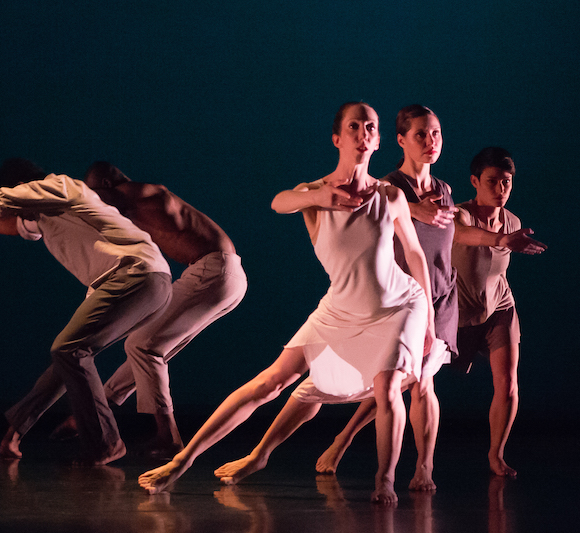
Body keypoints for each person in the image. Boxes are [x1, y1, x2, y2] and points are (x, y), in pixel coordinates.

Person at [139, 102, 437, 504]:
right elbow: (280, 201)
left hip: (398, 306)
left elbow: (415, 255)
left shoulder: (390, 196)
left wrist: (430, 321)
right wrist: (322, 195)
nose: (363, 133)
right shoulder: (312, 196)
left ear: (380, 140)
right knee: (272, 382)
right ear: (337, 138)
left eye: (371, 127)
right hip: (341, 308)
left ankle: (384, 480)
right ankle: (184, 460)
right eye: (354, 126)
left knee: (386, 388)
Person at [214, 105, 456, 492]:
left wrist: (430, 310)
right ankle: (268, 453)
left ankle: (412, 471)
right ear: (397, 141)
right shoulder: (391, 185)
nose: (431, 141)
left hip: (423, 298)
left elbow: (425, 249)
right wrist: (406, 209)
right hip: (361, 303)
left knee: (412, 384)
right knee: (313, 387)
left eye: (437, 133)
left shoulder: (443, 191)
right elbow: (287, 200)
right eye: (421, 135)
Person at [0, 158, 173, 465]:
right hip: (151, 282)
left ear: (23, 187)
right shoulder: (49, 210)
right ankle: (15, 434)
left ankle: (105, 444)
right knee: (68, 357)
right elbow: (7, 223)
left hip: (135, 275)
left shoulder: (57, 186)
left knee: (69, 350)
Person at [46, 162, 248, 458]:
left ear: (105, 183)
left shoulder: (137, 193)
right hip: (225, 276)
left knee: (142, 345)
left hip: (213, 270)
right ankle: (92, 414)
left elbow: (94, 204)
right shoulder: (137, 207)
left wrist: (41, 200)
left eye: (94, 190)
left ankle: (169, 436)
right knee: (149, 349)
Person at [451, 146, 546, 477]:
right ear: (475, 181)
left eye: (506, 182)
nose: (500, 189)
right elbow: (465, 235)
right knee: (405, 382)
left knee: (507, 384)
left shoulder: (513, 221)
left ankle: (496, 454)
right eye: (492, 181)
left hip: (499, 309)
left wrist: (506, 237)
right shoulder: (459, 214)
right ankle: (343, 439)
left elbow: (497, 271)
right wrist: (501, 239)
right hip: (459, 315)